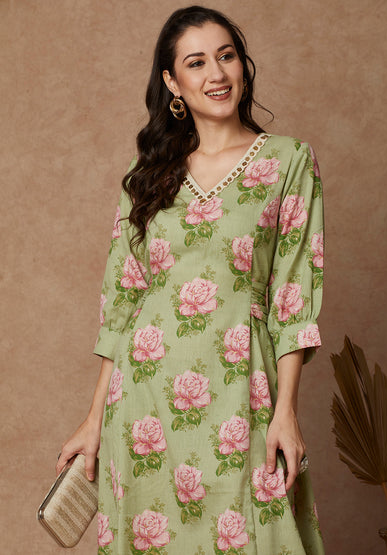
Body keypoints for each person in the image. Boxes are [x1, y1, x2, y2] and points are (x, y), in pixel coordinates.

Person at [57, 6, 325, 554]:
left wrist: (287, 412)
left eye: (226, 56)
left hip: (242, 394)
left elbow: (292, 297)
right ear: (173, 83)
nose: (217, 74)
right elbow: (123, 304)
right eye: (196, 62)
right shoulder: (145, 179)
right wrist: (93, 421)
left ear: (243, 65)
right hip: (144, 403)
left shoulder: (288, 161)